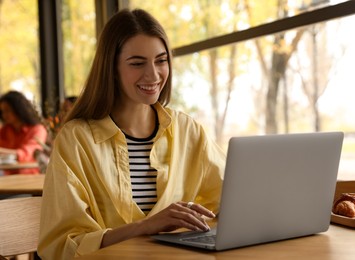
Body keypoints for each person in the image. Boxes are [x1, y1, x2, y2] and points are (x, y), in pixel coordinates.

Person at [38, 8, 225, 259]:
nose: (153, 74)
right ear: (111, 68)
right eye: (137, 63)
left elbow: (230, 203)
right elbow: (60, 246)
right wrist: (144, 227)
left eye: (161, 60)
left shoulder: (189, 131)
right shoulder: (76, 140)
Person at [0, 90, 48, 175]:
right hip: (7, 177)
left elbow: (26, 153)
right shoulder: (5, 130)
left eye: (7, 110)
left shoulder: (38, 130)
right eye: (2, 111)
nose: (4, 115)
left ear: (18, 109)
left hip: (30, 178)